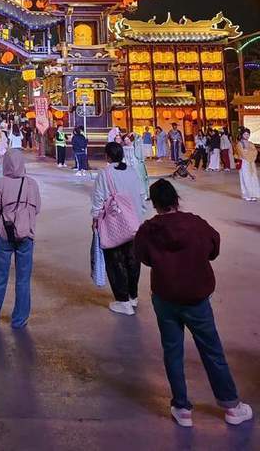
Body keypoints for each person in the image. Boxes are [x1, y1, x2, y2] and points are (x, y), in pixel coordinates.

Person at [134, 179, 252, 428]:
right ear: (176, 199)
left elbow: (143, 257)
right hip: (196, 299)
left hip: (165, 298)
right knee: (212, 350)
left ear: (155, 204)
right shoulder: (195, 224)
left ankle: (182, 408)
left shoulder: (148, 230)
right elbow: (213, 248)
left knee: (172, 351)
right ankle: (231, 406)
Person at [0, 149, 41, 329]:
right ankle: (20, 319)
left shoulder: (0, 184)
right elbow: (37, 208)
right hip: (27, 236)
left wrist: (1, 221)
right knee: (23, 279)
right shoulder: (32, 184)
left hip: (5, 235)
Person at [91, 141, 148, 315]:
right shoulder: (132, 171)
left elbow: (98, 198)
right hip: (134, 222)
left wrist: (95, 218)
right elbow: (142, 195)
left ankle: (123, 301)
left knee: (116, 261)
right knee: (133, 261)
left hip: (115, 224)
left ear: (107, 156)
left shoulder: (105, 174)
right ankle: (133, 296)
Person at [234, 128, 259, 202]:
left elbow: (255, 152)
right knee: (245, 178)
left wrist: (248, 152)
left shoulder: (251, 143)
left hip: (251, 163)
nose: (247, 136)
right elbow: (242, 153)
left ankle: (253, 194)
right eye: (245, 134)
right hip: (244, 163)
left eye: (248, 134)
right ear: (242, 135)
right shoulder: (239, 144)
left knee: (253, 178)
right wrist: (250, 152)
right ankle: (246, 194)